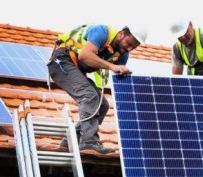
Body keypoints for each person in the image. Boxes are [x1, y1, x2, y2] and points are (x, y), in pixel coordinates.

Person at [48, 24, 147, 154]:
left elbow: (116, 76)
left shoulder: (122, 55)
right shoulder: (101, 32)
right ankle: (89, 142)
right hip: (61, 62)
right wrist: (112, 67)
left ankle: (70, 140)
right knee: (89, 96)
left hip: (76, 69)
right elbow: (84, 55)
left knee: (102, 105)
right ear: (122, 34)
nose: (129, 48)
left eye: (133, 47)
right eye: (129, 43)